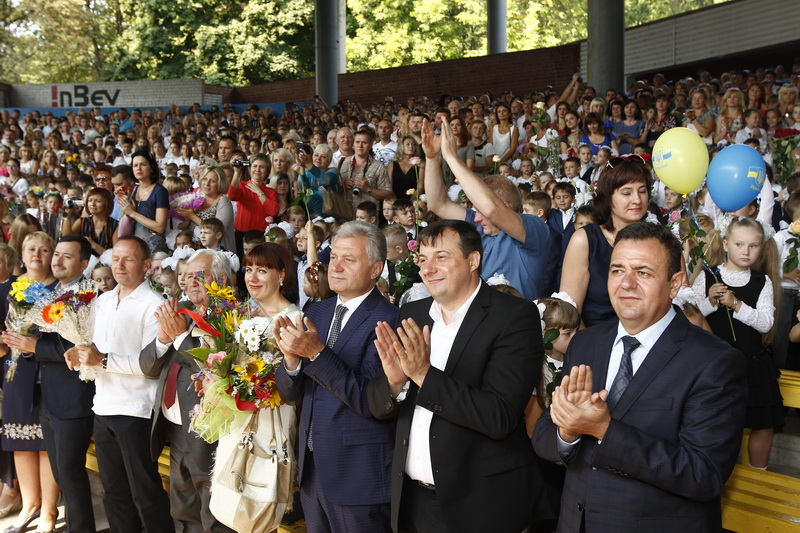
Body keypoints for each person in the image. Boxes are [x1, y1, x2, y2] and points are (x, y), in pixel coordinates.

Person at [533, 222, 748, 532]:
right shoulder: (585, 342)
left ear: (675, 284)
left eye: (643, 272)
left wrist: (605, 430)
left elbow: (704, 475)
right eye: (617, 270)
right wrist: (567, 432)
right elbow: (543, 435)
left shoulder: (715, 362)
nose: (626, 283)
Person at [367, 219, 548, 532]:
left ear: (473, 260)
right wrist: (396, 383)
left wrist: (423, 374)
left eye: (441, 257)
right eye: (423, 259)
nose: (428, 269)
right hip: (411, 501)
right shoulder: (412, 313)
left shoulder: (514, 316)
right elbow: (379, 406)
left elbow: (498, 416)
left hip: (480, 505)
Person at [273, 221, 398, 533]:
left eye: (349, 259)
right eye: (334, 258)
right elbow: (290, 393)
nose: (336, 267)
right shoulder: (317, 312)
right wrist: (291, 361)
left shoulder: (389, 320)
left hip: (358, 475)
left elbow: (370, 400)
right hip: (313, 469)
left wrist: (316, 353)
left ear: (376, 269)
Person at [65, 236, 174, 533]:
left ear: (147, 265)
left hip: (136, 410)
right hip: (103, 406)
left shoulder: (155, 305)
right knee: (113, 493)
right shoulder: (102, 301)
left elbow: (149, 366)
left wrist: (101, 360)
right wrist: (80, 353)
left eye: (129, 259)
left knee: (145, 493)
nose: (120, 265)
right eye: (115, 259)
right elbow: (96, 350)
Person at [139, 249, 235, 533]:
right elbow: (148, 367)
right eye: (188, 275)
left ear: (221, 280)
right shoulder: (181, 312)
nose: (191, 282)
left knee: (214, 516)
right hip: (176, 429)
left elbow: (216, 370)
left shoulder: (231, 315)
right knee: (183, 512)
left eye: (199, 275)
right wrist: (163, 338)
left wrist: (180, 336)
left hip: (209, 433)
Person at [423, 117, 551, 300]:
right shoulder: (480, 227)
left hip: (517, 315)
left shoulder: (534, 227)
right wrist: (431, 157)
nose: (475, 218)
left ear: (506, 206)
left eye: (479, 211)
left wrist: (451, 156)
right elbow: (438, 204)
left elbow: (492, 210)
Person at [690, 216, 782, 470]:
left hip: (753, 364)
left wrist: (736, 304)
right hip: (713, 366)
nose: (746, 251)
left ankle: (759, 475)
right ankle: (714, 474)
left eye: (753, 246)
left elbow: (765, 323)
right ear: (726, 244)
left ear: (761, 247)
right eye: (739, 244)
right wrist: (709, 302)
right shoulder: (708, 276)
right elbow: (690, 318)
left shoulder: (762, 281)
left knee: (763, 423)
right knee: (717, 422)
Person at [30, 236, 97, 533]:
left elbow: (80, 347)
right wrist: (24, 343)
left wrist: (35, 346)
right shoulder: (50, 291)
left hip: (74, 397)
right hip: (48, 395)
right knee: (61, 472)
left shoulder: (88, 296)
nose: (57, 260)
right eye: (56, 254)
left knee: (70, 473)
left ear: (83, 264)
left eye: (66, 257)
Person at [0, 232, 60, 533]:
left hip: (51, 373)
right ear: (21, 254)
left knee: (46, 444)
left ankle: (48, 512)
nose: (37, 254)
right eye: (31, 248)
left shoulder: (61, 289)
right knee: (20, 441)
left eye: (44, 249)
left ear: (52, 255)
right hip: (16, 372)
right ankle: (29, 505)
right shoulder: (7, 289)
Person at [560, 157, 651, 327]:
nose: (637, 200)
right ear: (608, 198)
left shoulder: (659, 240)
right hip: (596, 338)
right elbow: (570, 312)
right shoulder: (585, 240)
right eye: (626, 193)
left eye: (642, 191)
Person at [227, 153, 279, 258]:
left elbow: (273, 211)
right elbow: (232, 196)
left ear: (267, 170)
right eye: (255, 166)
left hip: (260, 237)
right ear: (250, 168)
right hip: (241, 235)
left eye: (262, 167)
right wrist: (236, 173)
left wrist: (259, 191)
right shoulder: (242, 186)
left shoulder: (270, 192)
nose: (257, 170)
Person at [117, 150, 169, 253]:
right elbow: (126, 218)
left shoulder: (160, 191)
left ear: (151, 168)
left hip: (154, 247)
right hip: (135, 245)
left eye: (143, 165)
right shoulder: (133, 190)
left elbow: (160, 227)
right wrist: (123, 200)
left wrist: (133, 213)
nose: (138, 168)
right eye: (135, 165)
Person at [177, 165, 235, 254]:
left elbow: (218, 230)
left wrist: (192, 216)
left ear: (220, 183)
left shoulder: (224, 201)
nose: (207, 183)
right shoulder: (198, 199)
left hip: (217, 253)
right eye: (205, 179)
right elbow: (184, 229)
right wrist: (187, 219)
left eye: (212, 181)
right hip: (195, 251)